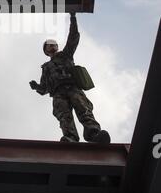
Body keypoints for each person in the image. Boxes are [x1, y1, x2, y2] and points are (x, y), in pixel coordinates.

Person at [30, 13, 111, 144]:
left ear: (57, 47)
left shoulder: (66, 55)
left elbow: (73, 37)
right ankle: (70, 138)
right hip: (58, 93)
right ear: (46, 51)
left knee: (83, 109)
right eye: (49, 45)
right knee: (64, 116)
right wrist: (36, 87)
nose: (52, 45)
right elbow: (44, 88)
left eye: (54, 44)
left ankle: (93, 133)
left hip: (73, 88)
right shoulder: (45, 67)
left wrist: (73, 18)